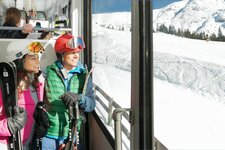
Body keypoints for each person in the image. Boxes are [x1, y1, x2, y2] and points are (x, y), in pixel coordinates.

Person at [41, 34, 96, 150]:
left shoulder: (84, 75)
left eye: (77, 52)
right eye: (72, 53)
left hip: (72, 133)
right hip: (48, 133)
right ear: (61, 54)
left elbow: (91, 104)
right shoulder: (48, 73)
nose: (76, 56)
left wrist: (80, 98)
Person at [0, 40, 45, 150]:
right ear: (19, 60)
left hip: (26, 144)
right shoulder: (5, 86)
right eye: (33, 58)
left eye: (38, 58)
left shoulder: (35, 83)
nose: (37, 62)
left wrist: (41, 120)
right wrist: (9, 126)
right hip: (6, 145)